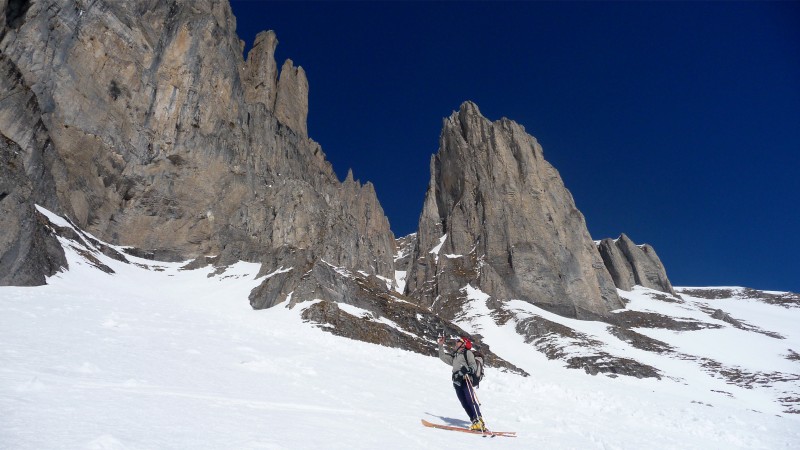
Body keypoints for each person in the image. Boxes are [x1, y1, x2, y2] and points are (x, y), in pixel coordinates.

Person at [437, 335, 486, 431]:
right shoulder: (455, 356)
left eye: (458, 341)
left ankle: (479, 421)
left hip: (466, 379)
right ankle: (474, 421)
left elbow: (473, 366)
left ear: (463, 344)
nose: (456, 342)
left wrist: (465, 370)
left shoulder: (467, 353)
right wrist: (440, 345)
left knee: (470, 399)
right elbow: (442, 356)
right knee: (464, 402)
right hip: (457, 381)